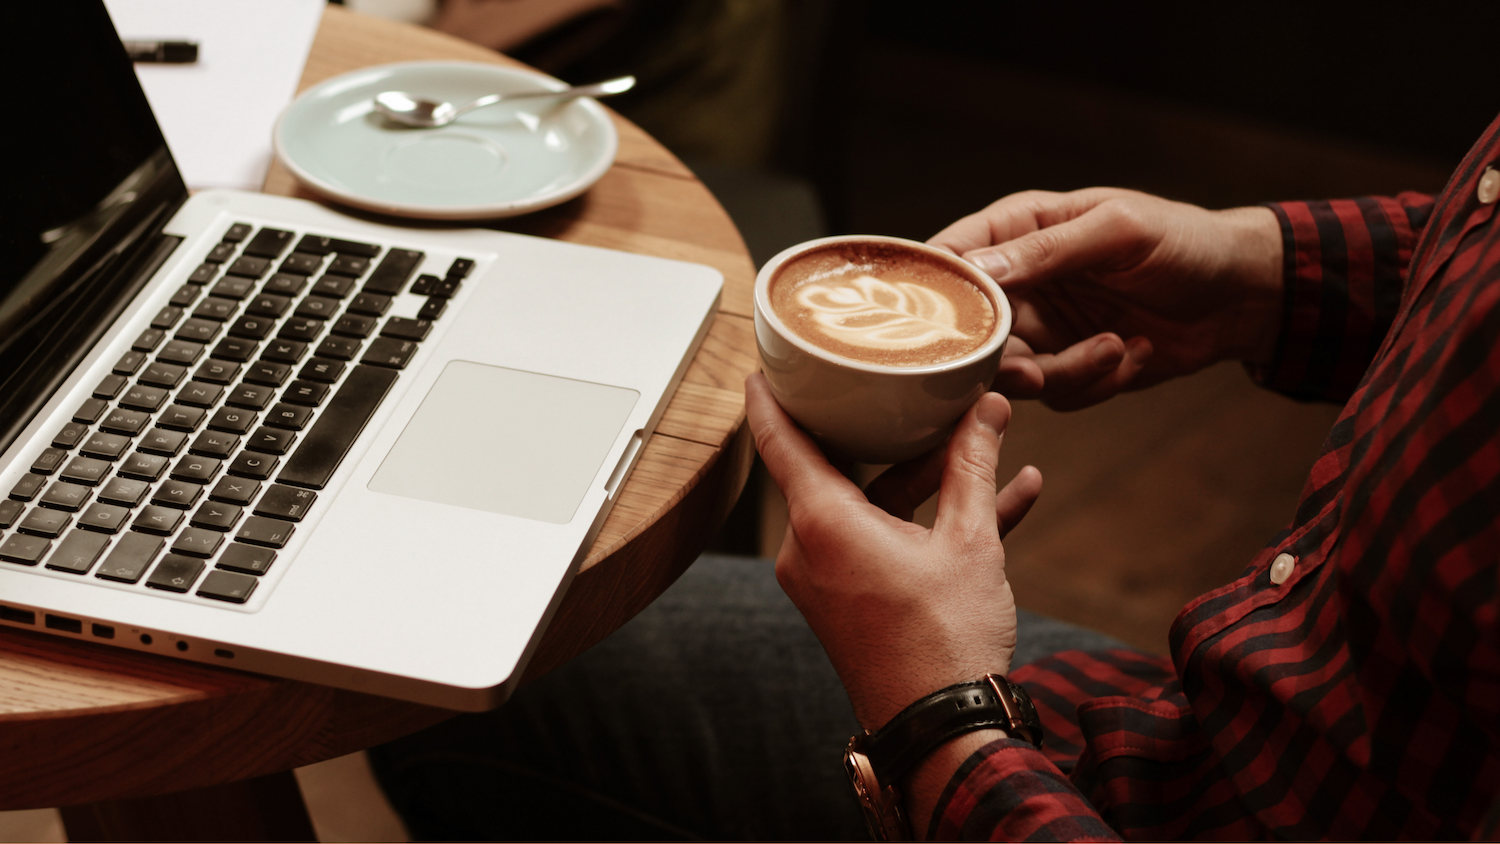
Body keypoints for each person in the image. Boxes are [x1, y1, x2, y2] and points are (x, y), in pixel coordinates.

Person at [371, 116, 1500, 840]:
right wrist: (1269, 271)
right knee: (472, 641)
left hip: (1080, 802)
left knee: (472, 670)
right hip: (1207, 734)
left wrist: (934, 711)